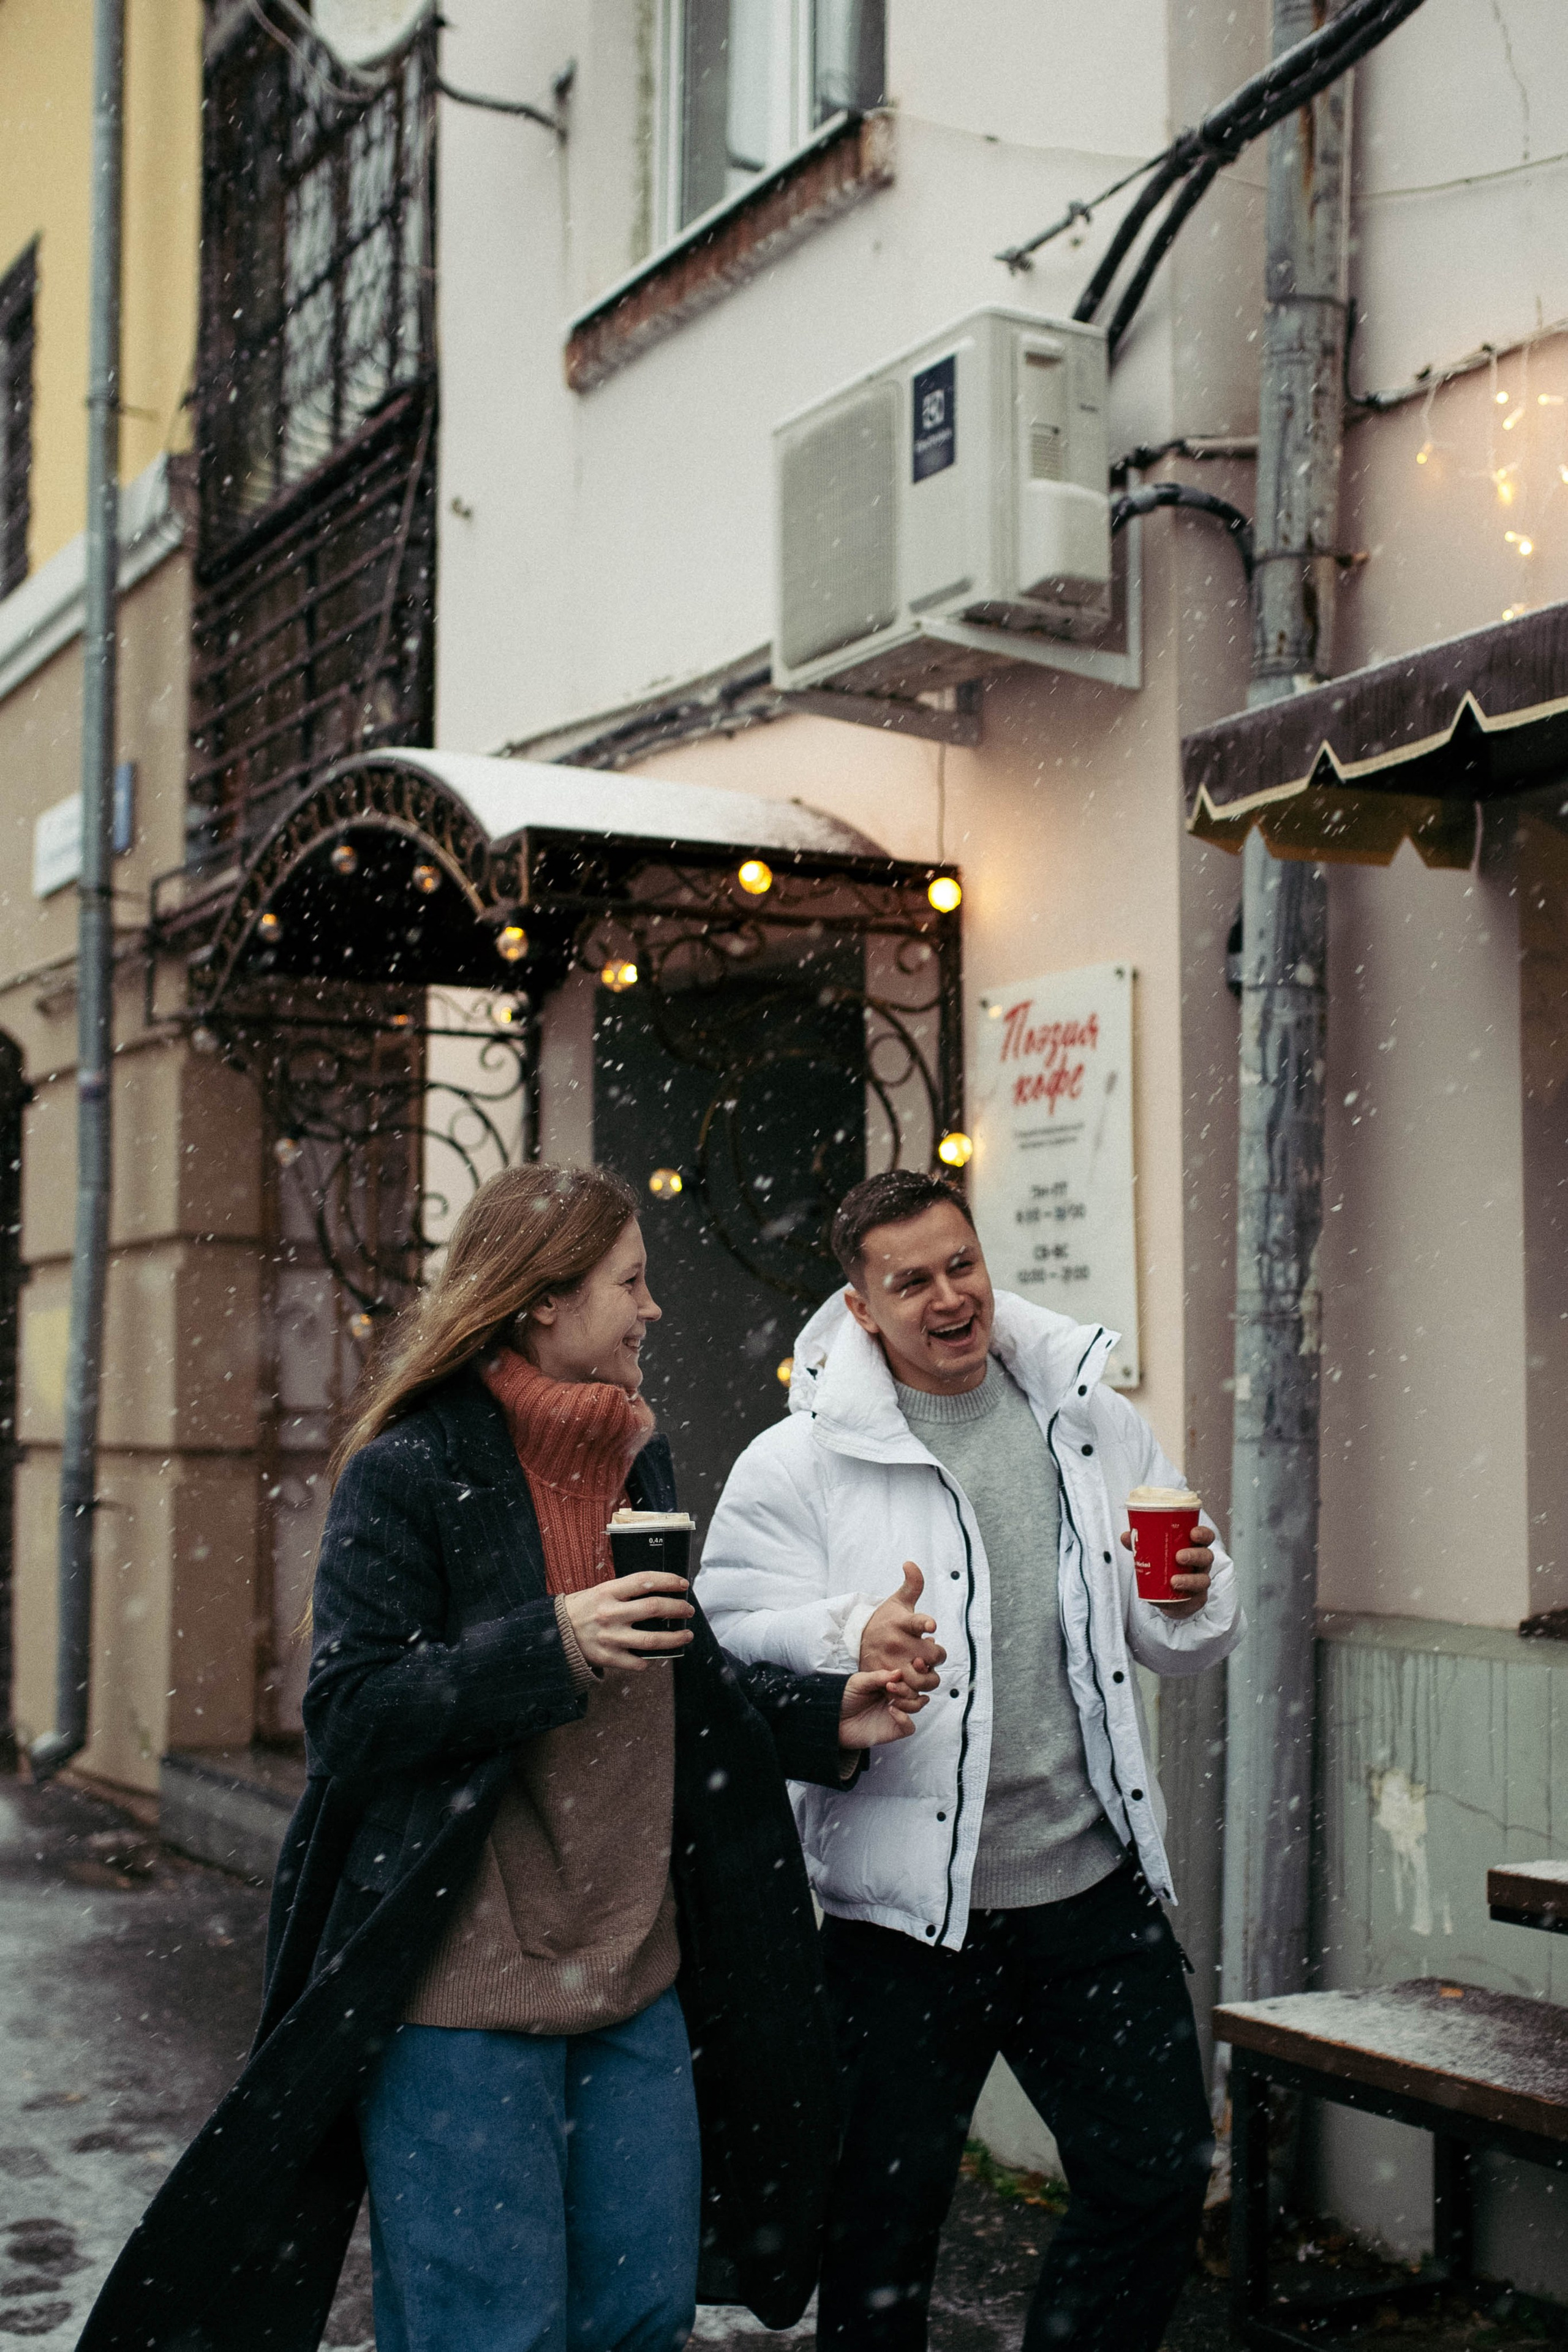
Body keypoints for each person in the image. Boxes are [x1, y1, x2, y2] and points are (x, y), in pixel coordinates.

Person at [78, 1165, 930, 2352]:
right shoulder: (410, 1473)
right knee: (491, 2335)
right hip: (459, 1994)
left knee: (637, 2318)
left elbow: (683, 1678)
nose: (653, 1308)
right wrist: (551, 1644)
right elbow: (352, 1711)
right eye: (630, 1282)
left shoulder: (641, 1463)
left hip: (633, 1976)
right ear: (543, 1303)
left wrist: (828, 1708)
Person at [699, 1168, 1246, 2352]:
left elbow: (1171, 1626)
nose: (951, 1298)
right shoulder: (796, 1463)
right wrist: (848, 1635)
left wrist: (1199, 1587)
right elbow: (727, 1635)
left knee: (1157, 2178)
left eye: (962, 1265)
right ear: (860, 1306)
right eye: (911, 1282)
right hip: (901, 1926)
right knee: (879, 2237)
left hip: (1088, 1893)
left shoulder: (1086, 1416)